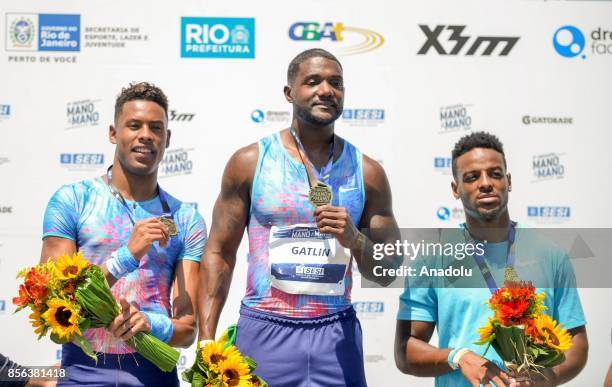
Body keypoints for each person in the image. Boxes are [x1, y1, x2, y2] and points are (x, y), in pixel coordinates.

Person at [197, 48, 400, 387]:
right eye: (313, 81)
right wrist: (206, 339)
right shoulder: (249, 162)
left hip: (335, 333)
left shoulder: (367, 173)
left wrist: (355, 240)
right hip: (265, 328)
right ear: (289, 93)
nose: (326, 90)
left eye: (336, 83)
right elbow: (219, 252)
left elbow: (389, 269)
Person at [40, 82, 207, 386]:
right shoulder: (73, 200)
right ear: (113, 133)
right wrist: (126, 257)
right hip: (83, 371)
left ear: (166, 138)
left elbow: (187, 329)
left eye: (156, 128)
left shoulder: (186, 219)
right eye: (134, 125)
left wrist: (150, 324)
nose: (146, 135)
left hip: (154, 372)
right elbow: (50, 305)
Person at [394, 132, 588, 387]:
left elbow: (576, 342)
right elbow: (405, 350)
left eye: (495, 174)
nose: (485, 183)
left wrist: (547, 378)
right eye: (472, 177)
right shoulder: (432, 260)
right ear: (456, 189)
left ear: (508, 181)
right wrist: (458, 357)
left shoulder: (550, 254)